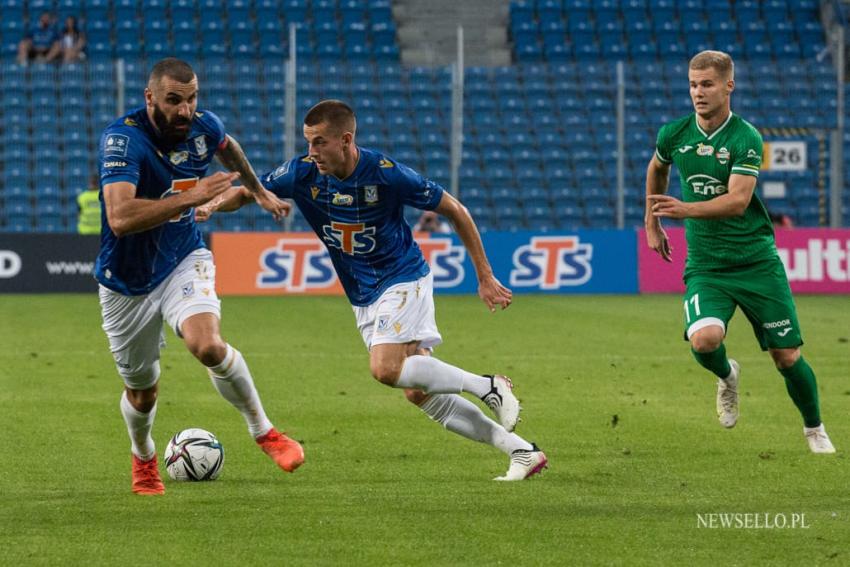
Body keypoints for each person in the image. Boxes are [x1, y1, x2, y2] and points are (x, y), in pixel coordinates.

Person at [200, 100, 548, 481]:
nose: (311, 152)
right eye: (308, 142)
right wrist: (213, 205)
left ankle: (489, 386)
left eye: (319, 143)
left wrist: (484, 275)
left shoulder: (386, 174)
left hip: (402, 277)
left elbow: (455, 209)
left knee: (385, 369)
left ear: (345, 140)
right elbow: (249, 191)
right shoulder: (301, 173)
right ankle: (522, 452)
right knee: (418, 391)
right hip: (363, 294)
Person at [95, 58, 303, 495]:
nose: (185, 110)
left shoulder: (203, 126)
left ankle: (264, 431)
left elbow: (230, 148)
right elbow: (120, 217)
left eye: (191, 99)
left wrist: (259, 191)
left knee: (207, 345)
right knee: (142, 393)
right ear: (150, 97)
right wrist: (195, 196)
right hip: (126, 282)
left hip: (182, 258)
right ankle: (143, 457)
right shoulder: (123, 139)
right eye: (174, 100)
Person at [645, 50, 834, 454]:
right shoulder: (674, 134)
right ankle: (727, 375)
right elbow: (656, 168)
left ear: (728, 86)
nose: (698, 92)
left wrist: (683, 209)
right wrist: (652, 219)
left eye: (707, 84)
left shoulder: (745, 137)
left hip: (756, 262)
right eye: (693, 84)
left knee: (786, 356)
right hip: (707, 266)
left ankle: (814, 428)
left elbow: (736, 201)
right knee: (705, 341)